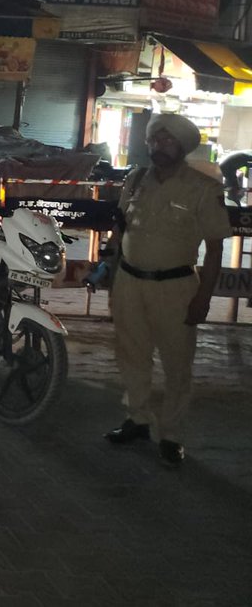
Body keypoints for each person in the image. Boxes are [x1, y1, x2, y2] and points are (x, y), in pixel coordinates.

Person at [104, 115, 231, 466]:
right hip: (130, 281)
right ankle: (137, 419)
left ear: (184, 146)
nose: (160, 147)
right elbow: (120, 229)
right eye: (155, 141)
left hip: (176, 288)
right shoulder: (135, 180)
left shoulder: (202, 188)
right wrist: (112, 277)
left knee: (177, 363)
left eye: (169, 141)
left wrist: (204, 297)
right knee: (131, 354)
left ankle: (172, 434)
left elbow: (216, 247)